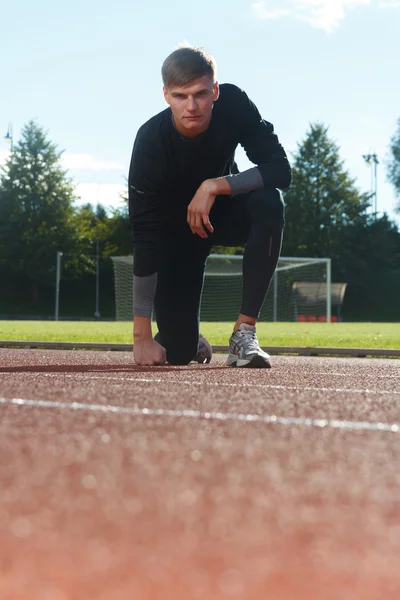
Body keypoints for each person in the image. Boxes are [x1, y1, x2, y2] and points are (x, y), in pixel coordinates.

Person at [128, 44, 291, 368]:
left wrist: (215, 185)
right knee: (178, 352)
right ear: (165, 96)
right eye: (180, 96)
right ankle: (187, 339)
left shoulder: (233, 104)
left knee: (269, 200)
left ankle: (243, 333)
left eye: (201, 94)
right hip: (176, 238)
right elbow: (145, 237)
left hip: (223, 213)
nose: (191, 106)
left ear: (215, 90)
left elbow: (280, 170)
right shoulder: (150, 143)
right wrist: (141, 338)